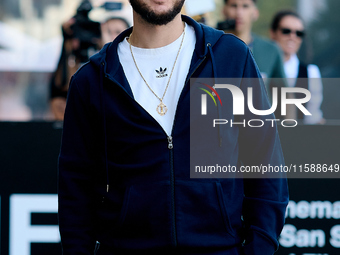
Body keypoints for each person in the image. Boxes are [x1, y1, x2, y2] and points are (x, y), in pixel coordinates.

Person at [58, 0, 288, 254]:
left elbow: (266, 163)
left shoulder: (231, 57)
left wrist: (260, 248)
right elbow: (75, 190)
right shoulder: (91, 80)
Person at [50, 3, 131, 120]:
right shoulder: (90, 65)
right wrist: (67, 41)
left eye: (117, 32)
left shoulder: (132, 65)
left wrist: (108, 50)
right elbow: (60, 89)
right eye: (107, 31)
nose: (112, 37)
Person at [222, 0, 287, 101]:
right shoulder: (210, 47)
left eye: (245, 6)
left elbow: (285, 96)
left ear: (255, 13)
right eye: (234, 6)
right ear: (224, 10)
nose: (239, 13)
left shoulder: (271, 50)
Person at [270, 10, 324, 124]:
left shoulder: (310, 72)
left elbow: (312, 115)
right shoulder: (261, 67)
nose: (292, 37)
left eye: (299, 33)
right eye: (286, 31)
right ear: (273, 33)